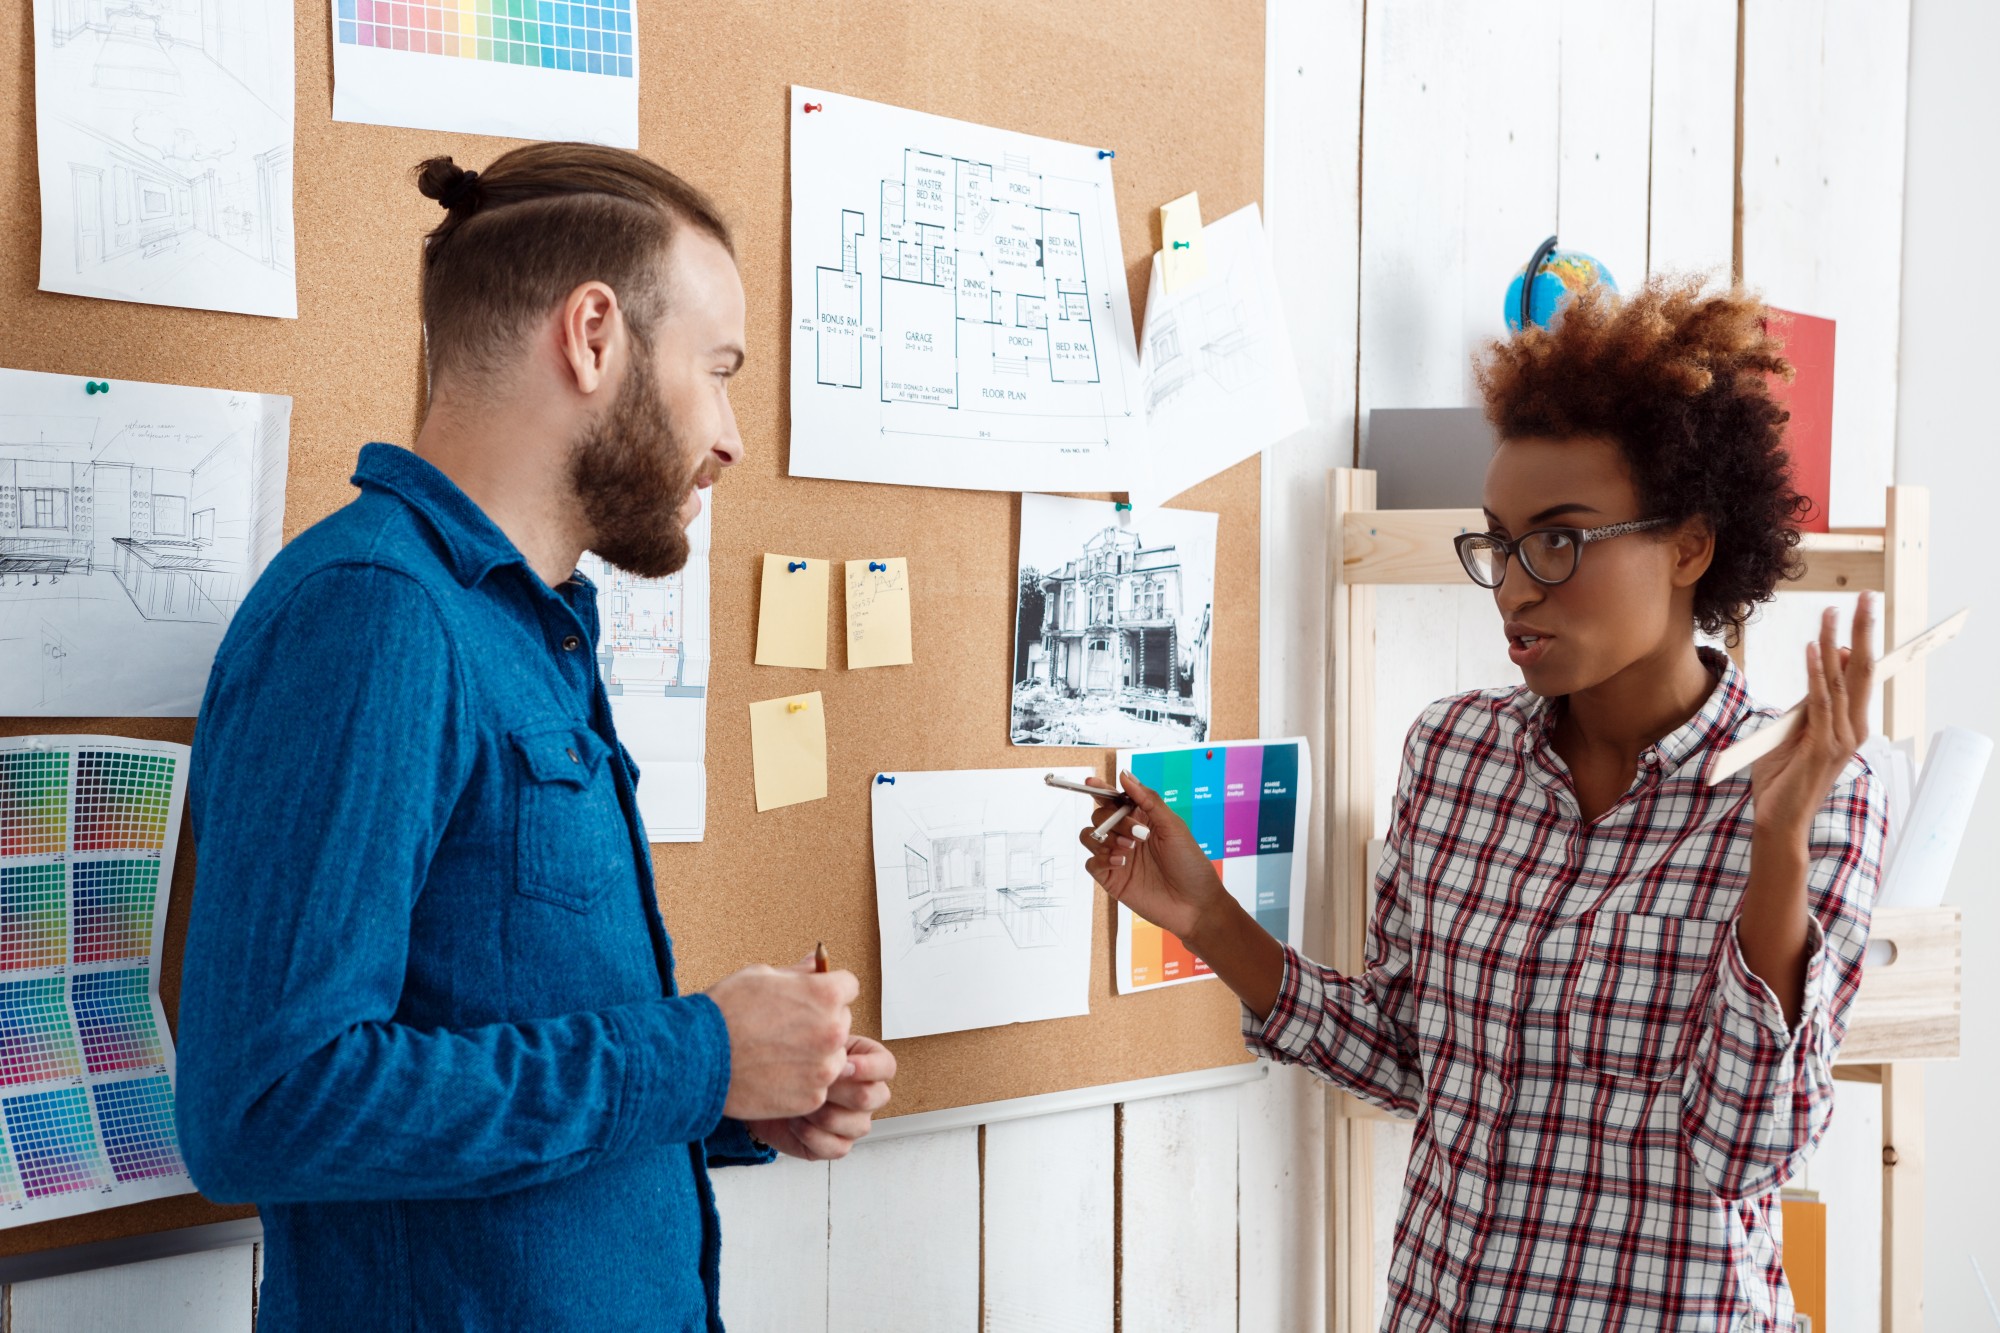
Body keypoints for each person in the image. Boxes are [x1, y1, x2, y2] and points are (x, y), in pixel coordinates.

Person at [176, 144, 895, 1332]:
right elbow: (267, 1103)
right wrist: (698, 1058)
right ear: (593, 334)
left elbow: (487, 1018)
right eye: (715, 372)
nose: (728, 437)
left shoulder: (531, 627)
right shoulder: (374, 615)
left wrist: (731, 1096)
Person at [1082, 277, 1881, 1331]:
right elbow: (1409, 1056)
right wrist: (1208, 919)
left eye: (1558, 539)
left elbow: (1748, 1149)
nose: (1511, 585)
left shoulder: (1812, 788)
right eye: (1497, 542)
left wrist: (1774, 850)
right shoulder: (1454, 751)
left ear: (1689, 546)